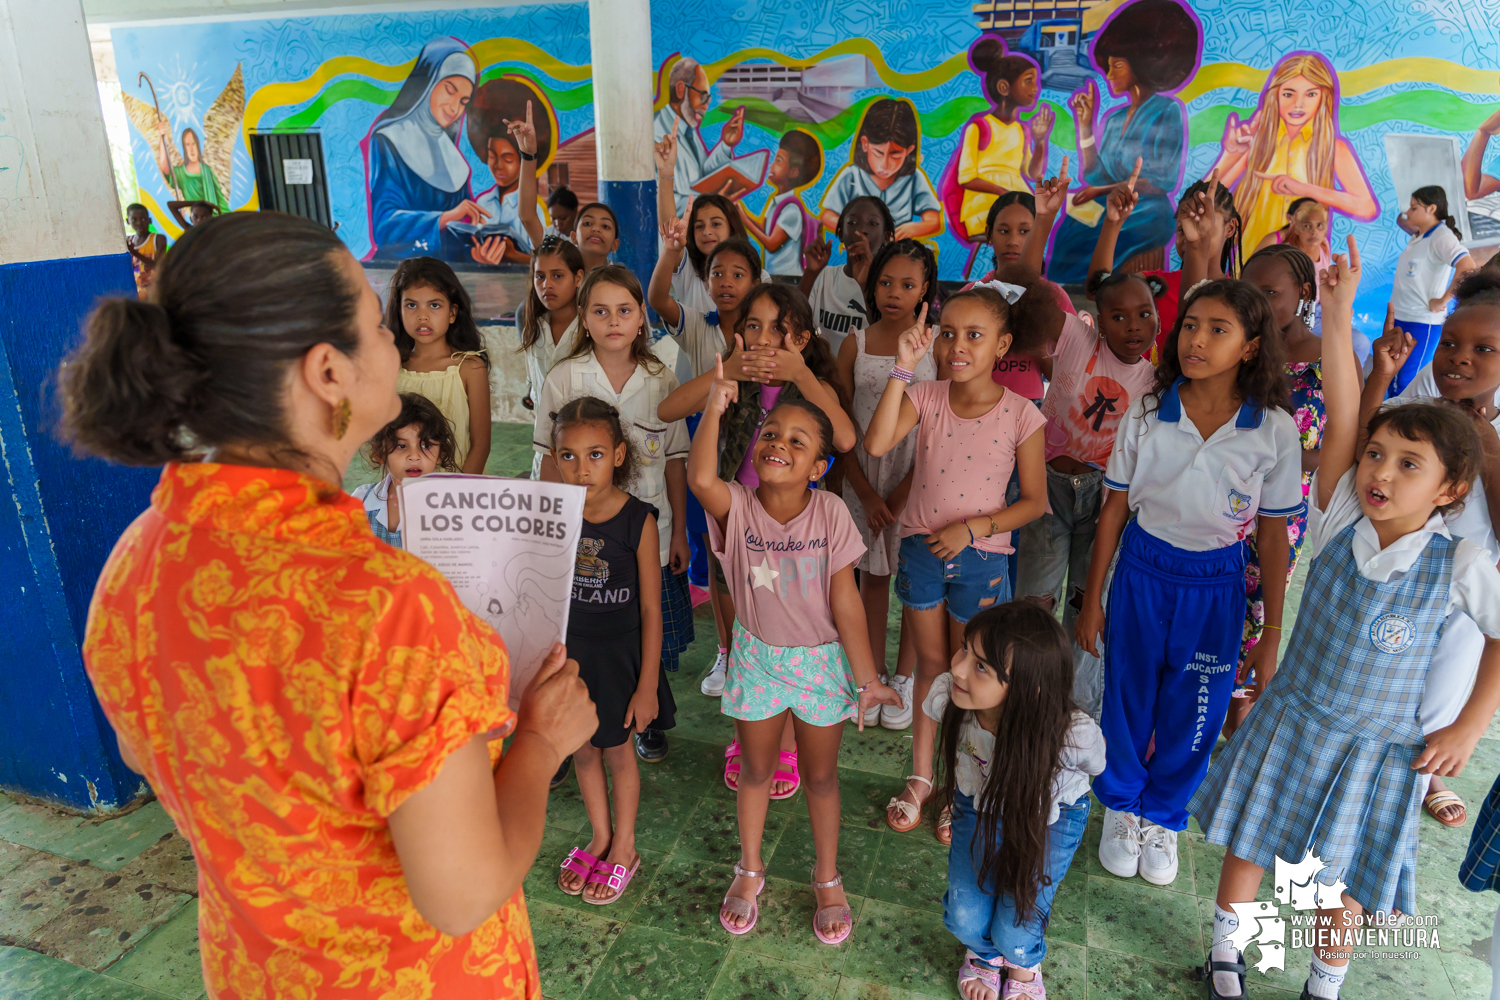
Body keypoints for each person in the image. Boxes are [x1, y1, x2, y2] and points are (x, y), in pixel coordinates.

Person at [61, 210, 596, 998]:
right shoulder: (387, 607)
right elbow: (462, 894)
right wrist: (543, 745)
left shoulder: (133, 569)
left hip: (257, 973)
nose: (391, 341)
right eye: (375, 322)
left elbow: (157, 758)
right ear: (328, 372)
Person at [1196, 237, 1500, 1000]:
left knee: (1347, 877)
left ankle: (1325, 982)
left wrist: (1469, 726)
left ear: (1448, 491)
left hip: (1381, 746)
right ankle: (1225, 954)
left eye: (1408, 465)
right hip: (1295, 718)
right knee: (1250, 841)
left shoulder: (1458, 561)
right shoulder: (1336, 520)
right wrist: (1336, 310)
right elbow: (1337, 415)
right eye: (1376, 455)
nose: (1379, 472)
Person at [1075, 278, 1303, 888]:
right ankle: (1121, 808)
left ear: (1252, 347)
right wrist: (1094, 599)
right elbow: (1114, 510)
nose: (1196, 339)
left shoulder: (1274, 430)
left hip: (1217, 586)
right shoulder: (1150, 410)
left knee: (1197, 708)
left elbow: (1275, 535)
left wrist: (1272, 631)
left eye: (1218, 329)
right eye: (1192, 325)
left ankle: (1166, 816)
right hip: (1144, 571)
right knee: (1126, 696)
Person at [690, 351, 897, 942]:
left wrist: (866, 677)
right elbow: (703, 479)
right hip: (757, 659)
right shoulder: (738, 506)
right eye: (772, 432)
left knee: (821, 777)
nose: (778, 442)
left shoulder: (831, 513)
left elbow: (847, 603)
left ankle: (827, 877)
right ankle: (749, 868)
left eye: (798, 441)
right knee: (755, 770)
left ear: (818, 466)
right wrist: (713, 403)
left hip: (820, 663)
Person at [864, 287, 1049, 840]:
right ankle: (923, 776)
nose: (957, 346)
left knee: (971, 674)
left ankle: (961, 781)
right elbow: (875, 445)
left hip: (981, 560)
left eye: (974, 335)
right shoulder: (925, 396)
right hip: (922, 552)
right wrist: (903, 366)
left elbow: (1034, 502)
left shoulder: (1023, 415)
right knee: (931, 665)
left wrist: (971, 529)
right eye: (948, 333)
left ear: (1003, 345)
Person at [660, 283, 857, 795]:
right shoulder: (734, 377)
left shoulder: (809, 387)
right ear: (738, 333)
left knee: (790, 636)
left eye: (779, 328)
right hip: (735, 526)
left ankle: (787, 744)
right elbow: (667, 409)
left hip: (792, 535)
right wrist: (725, 376)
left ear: (804, 338)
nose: (766, 338)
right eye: (754, 326)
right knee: (739, 638)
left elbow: (847, 436)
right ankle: (744, 737)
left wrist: (802, 374)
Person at [534, 265, 692, 763]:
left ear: (642, 317)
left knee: (648, 623)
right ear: (583, 319)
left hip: (648, 532)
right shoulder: (564, 378)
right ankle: (570, 726)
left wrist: (680, 532)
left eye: (624, 310)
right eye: (600, 311)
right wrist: (550, 532)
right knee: (583, 627)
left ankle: (647, 714)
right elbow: (545, 458)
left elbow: (674, 461)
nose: (613, 321)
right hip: (580, 535)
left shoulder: (660, 377)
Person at [1366, 270, 1500, 829]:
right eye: (1450, 343)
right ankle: (1360, 792)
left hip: (1465, 597)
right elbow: (1368, 442)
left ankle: (1398, 813)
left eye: (1483, 349)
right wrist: (1383, 377)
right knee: (1374, 699)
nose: (1459, 359)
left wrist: (1487, 450)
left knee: (1433, 717)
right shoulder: (1426, 389)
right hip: (1395, 581)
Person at [929, 602, 1105, 1000]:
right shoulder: (951, 698)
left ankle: (1022, 962)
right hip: (978, 801)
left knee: (1017, 928)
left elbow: (1097, 764)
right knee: (964, 917)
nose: (956, 668)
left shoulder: (1072, 734)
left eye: (981, 667)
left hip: (1051, 818)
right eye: (963, 650)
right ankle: (986, 956)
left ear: (1029, 688)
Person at [550, 396, 674, 905]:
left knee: (620, 753)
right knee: (582, 749)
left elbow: (650, 610)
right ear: (554, 457)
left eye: (596, 454)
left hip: (621, 658)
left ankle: (624, 844)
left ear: (620, 455)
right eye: (569, 456)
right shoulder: (553, 515)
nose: (582, 469)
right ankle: (599, 835)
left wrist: (646, 684)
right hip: (571, 655)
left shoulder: (638, 520)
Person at [1013, 270, 1157, 673]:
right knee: (1035, 600)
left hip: (1104, 499)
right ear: (1098, 318)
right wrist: (1044, 217)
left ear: (1159, 319)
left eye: (1145, 314)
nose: (1133, 326)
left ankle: (1076, 706)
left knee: (1086, 603)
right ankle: (1028, 687)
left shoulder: (1155, 382)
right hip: (1047, 488)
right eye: (1118, 316)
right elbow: (1027, 292)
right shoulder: (1078, 339)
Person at [835, 240, 939, 733]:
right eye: (885, 282)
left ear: (925, 292)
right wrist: (869, 493)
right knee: (871, 578)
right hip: (865, 479)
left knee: (918, 583)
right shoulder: (856, 340)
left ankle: (903, 676)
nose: (893, 293)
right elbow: (840, 426)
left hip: (920, 479)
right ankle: (872, 676)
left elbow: (943, 427)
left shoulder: (937, 346)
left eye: (907, 284)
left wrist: (899, 496)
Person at [1225, 244, 1326, 738]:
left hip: (1283, 509)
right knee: (1214, 597)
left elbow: (1340, 446)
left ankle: (1239, 706)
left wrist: (1276, 457)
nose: (1259, 304)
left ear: (1303, 293)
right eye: (1252, 292)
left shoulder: (1331, 360)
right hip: (1223, 498)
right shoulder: (1242, 350)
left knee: (1260, 601)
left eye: (1271, 293)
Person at [1048, 0, 1200, 284]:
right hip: (1111, 203)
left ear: (1143, 63)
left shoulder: (1168, 111)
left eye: (1116, 65)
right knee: (1071, 227)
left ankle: (1092, 296)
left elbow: (1160, 182)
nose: (1108, 74)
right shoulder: (1115, 118)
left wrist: (1099, 191)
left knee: (1087, 235)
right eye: (1107, 66)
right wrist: (1084, 125)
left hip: (1147, 212)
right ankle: (1066, 298)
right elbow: (1095, 174)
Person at [1209, 52, 1378, 252]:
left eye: (1311, 94)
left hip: (1301, 263)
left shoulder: (1331, 148)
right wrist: (1231, 155)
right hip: (1250, 257)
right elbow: (1203, 199)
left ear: (1324, 97)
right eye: (1288, 94)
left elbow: (1366, 207)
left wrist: (1302, 189)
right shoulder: (1259, 141)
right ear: (1275, 95)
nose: (1298, 104)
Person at [1088, 167, 1243, 355]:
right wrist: (1112, 223)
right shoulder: (1153, 286)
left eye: (1203, 224)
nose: (1191, 236)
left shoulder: (1240, 300)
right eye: (1181, 229)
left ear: (1230, 228)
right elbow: (1099, 291)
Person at [364, 38, 483, 261]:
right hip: (401, 271)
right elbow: (384, 227)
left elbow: (460, 232)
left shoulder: (455, 161)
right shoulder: (389, 141)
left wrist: (478, 249)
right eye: (450, 90)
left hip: (447, 273)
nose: (454, 108)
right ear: (428, 83)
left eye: (463, 101)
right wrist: (444, 218)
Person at [385, 257, 492, 474]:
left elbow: (481, 445)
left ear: (452, 313)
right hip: (404, 487)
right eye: (411, 305)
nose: (422, 316)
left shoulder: (469, 368)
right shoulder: (391, 369)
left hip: (458, 491)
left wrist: (462, 494)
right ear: (399, 311)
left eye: (434, 305)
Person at [947, 39, 1051, 254]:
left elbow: (1032, 173)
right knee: (1018, 225)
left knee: (1036, 226)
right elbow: (966, 177)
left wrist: (1040, 141)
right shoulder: (979, 127)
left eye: (1036, 81)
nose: (1035, 88)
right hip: (983, 205)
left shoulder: (1022, 130)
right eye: (1028, 81)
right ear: (1004, 87)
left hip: (1016, 200)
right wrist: (1003, 194)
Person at [1388, 185, 1479, 396]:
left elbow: (1467, 266)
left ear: (1431, 209)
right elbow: (1402, 220)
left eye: (1413, 208)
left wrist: (1443, 300)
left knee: (1407, 382)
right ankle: (1388, 422)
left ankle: (1405, 426)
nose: (1408, 213)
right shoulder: (1420, 236)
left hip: (1420, 322)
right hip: (1401, 317)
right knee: (1393, 376)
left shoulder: (1442, 237)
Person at [653, 118, 749, 314]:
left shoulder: (757, 275)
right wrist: (665, 175)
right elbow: (669, 229)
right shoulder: (688, 271)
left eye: (716, 224)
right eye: (698, 226)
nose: (707, 231)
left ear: (731, 228)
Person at [819, 97, 942, 241]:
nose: (885, 164)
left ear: (909, 151)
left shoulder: (914, 178)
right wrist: (854, 231)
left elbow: (934, 221)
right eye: (878, 153)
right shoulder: (851, 176)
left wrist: (912, 228)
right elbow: (827, 216)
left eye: (895, 155)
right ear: (865, 144)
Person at [352, 392, 459, 547]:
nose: (414, 456)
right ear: (380, 454)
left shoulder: (454, 509)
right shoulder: (362, 503)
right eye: (401, 446)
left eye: (426, 446)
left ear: (440, 454)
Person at [520, 236, 587, 475]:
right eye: (540, 276)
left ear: (578, 278)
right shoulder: (534, 329)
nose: (547, 284)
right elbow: (534, 383)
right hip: (545, 446)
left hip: (586, 445)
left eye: (557, 276)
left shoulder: (590, 328)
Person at [800, 195, 896, 358]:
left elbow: (888, 334)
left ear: (886, 237)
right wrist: (811, 272)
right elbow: (793, 317)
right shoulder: (824, 277)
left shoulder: (892, 285)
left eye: (872, 223)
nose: (861, 230)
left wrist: (867, 284)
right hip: (825, 376)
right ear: (840, 234)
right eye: (852, 223)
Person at [466, 87, 552, 264]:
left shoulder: (535, 210)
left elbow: (546, 261)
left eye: (508, 158)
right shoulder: (482, 204)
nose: (498, 166)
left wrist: (513, 255)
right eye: (492, 156)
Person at [652, 56, 746, 217]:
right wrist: (711, 203)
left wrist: (725, 145)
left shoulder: (689, 130)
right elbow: (658, 201)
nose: (705, 106)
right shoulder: (654, 133)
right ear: (681, 89)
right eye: (702, 96)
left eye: (708, 100)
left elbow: (703, 178)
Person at [737, 129, 823, 277]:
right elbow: (766, 228)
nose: (771, 166)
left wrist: (744, 220)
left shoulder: (792, 210)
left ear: (793, 172)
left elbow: (772, 244)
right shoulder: (777, 201)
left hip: (789, 278)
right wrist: (742, 213)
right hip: (775, 275)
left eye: (778, 161)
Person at [152, 121, 227, 212]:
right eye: (187, 145)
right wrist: (161, 136)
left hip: (214, 220)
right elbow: (164, 167)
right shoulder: (180, 173)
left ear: (197, 145)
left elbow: (220, 200)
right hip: (197, 220)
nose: (191, 149)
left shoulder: (207, 170)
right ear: (184, 148)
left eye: (193, 144)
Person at [125, 203, 166, 297]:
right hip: (136, 294)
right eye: (134, 219)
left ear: (149, 220)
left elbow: (160, 266)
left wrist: (135, 252)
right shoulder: (128, 242)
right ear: (128, 221)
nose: (139, 223)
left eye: (143, 219)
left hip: (155, 292)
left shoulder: (158, 239)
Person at [573, 202, 621, 271]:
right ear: (574, 237)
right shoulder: (560, 272)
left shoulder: (621, 280)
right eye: (587, 223)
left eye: (605, 226)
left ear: (615, 244)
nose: (596, 229)